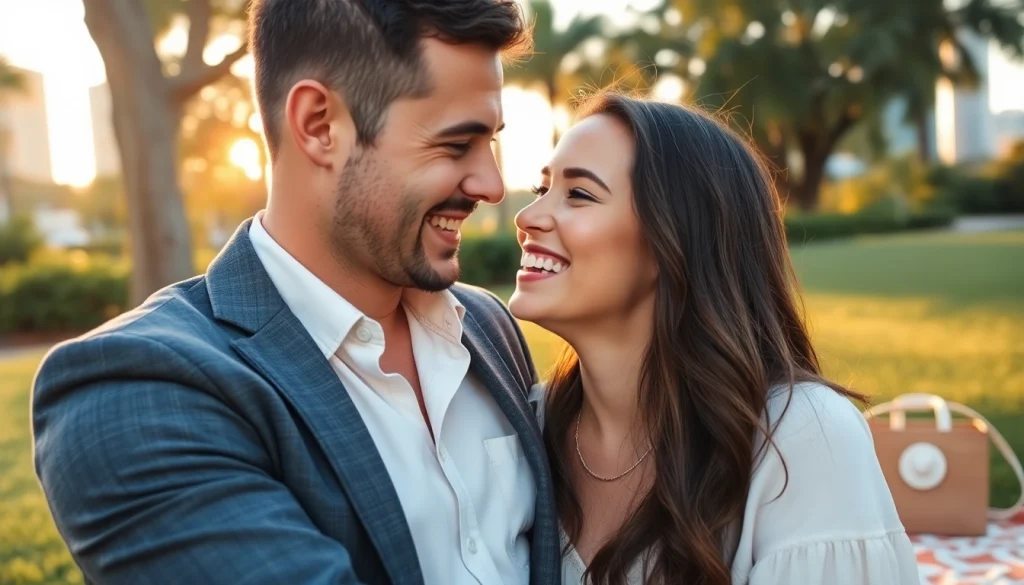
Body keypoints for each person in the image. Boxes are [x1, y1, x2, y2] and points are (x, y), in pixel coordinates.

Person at [32, 1, 560, 584]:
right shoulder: (134, 390)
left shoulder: (486, 327)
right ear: (319, 125)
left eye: (491, 143)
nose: (489, 184)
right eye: (456, 145)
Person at [510, 92, 922, 585]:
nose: (527, 217)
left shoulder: (798, 439)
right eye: (541, 188)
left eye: (579, 194)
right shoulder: (525, 429)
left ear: (675, 239)